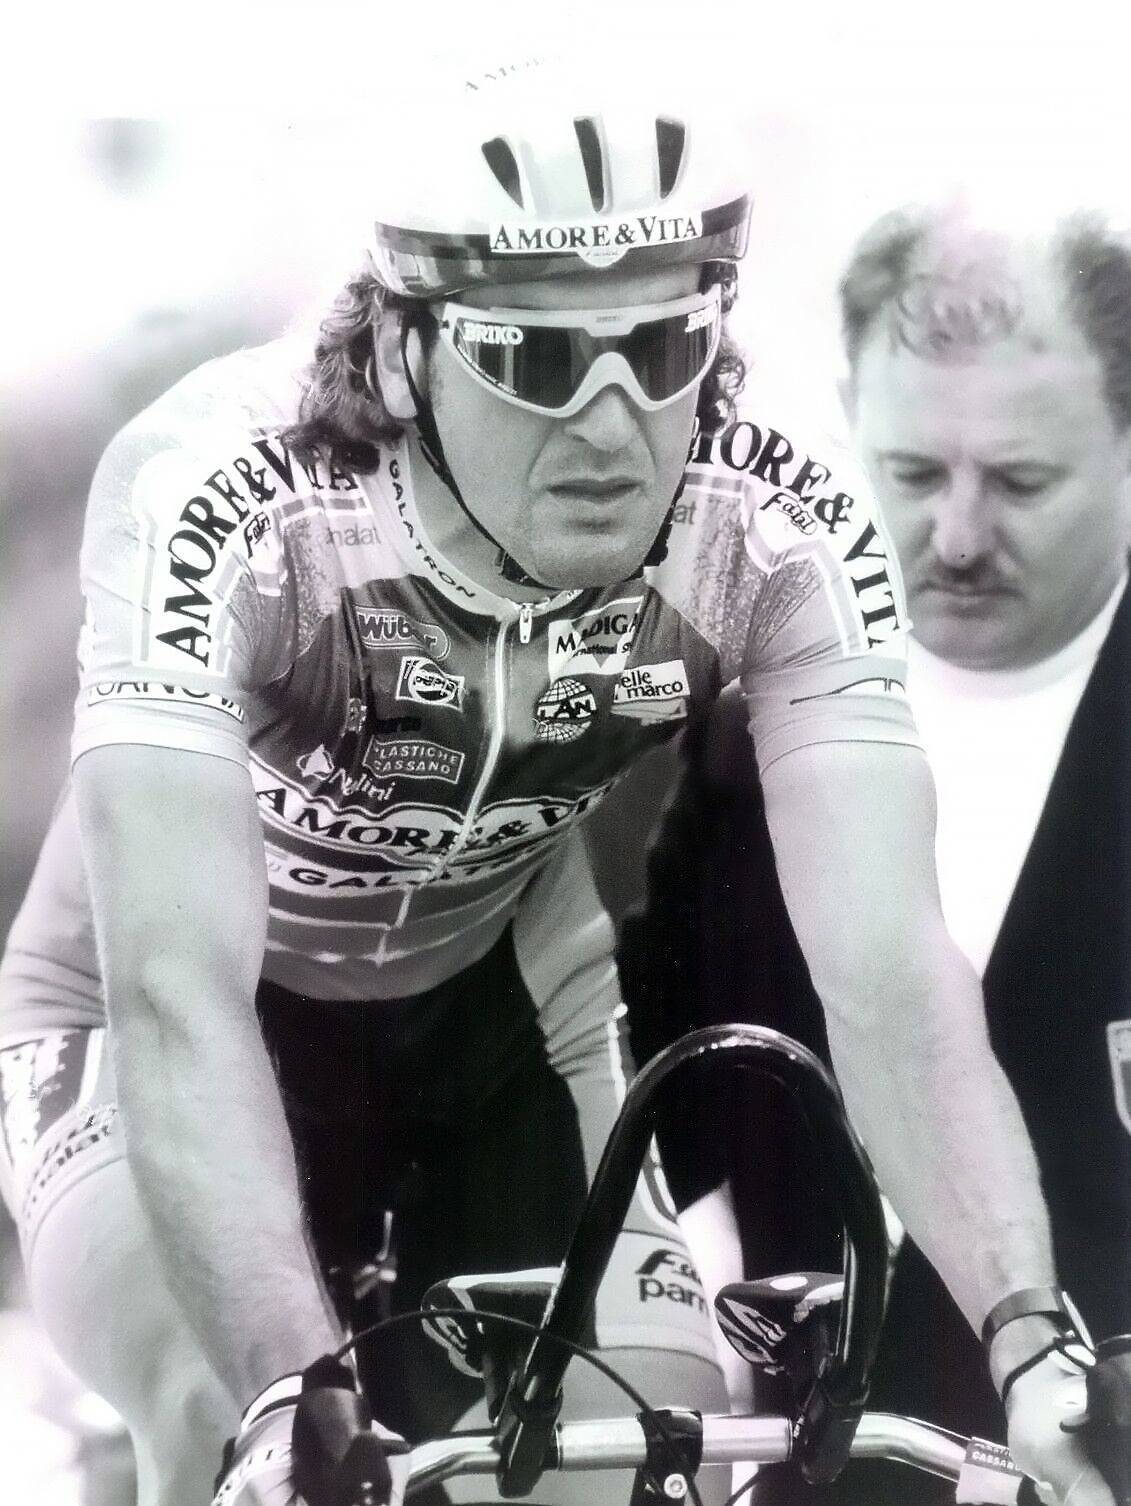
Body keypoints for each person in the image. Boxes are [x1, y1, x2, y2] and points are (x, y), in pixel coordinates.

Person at [0, 61, 1108, 1506]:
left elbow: (891, 975)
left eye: (663, 345)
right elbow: (174, 992)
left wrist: (1034, 1346)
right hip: (165, 1018)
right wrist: (291, 1396)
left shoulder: (774, 513)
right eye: (533, 359)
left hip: (503, 1018)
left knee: (653, 1445)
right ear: (403, 352)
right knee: (231, 1422)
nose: (610, 420)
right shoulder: (224, 493)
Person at [621, 201, 1131, 1504]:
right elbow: (646, 1107)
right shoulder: (729, 737)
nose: (956, 537)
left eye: (1020, 482)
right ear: (851, 412)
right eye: (911, 473)